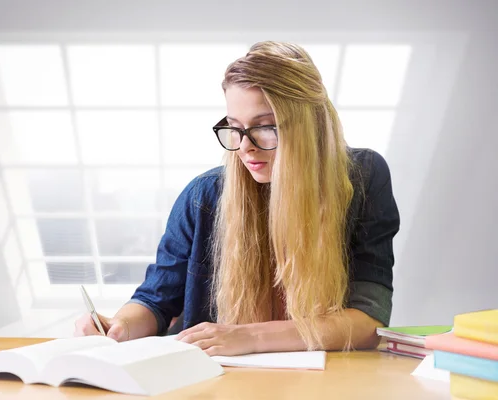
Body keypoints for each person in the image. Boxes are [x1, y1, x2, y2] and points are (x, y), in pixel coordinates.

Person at [74, 41, 400, 356]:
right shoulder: (204, 195)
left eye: (265, 127)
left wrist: (250, 336)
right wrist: (120, 328)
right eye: (235, 127)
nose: (245, 147)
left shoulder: (362, 177)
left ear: (309, 124)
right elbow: (156, 301)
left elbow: (368, 321)